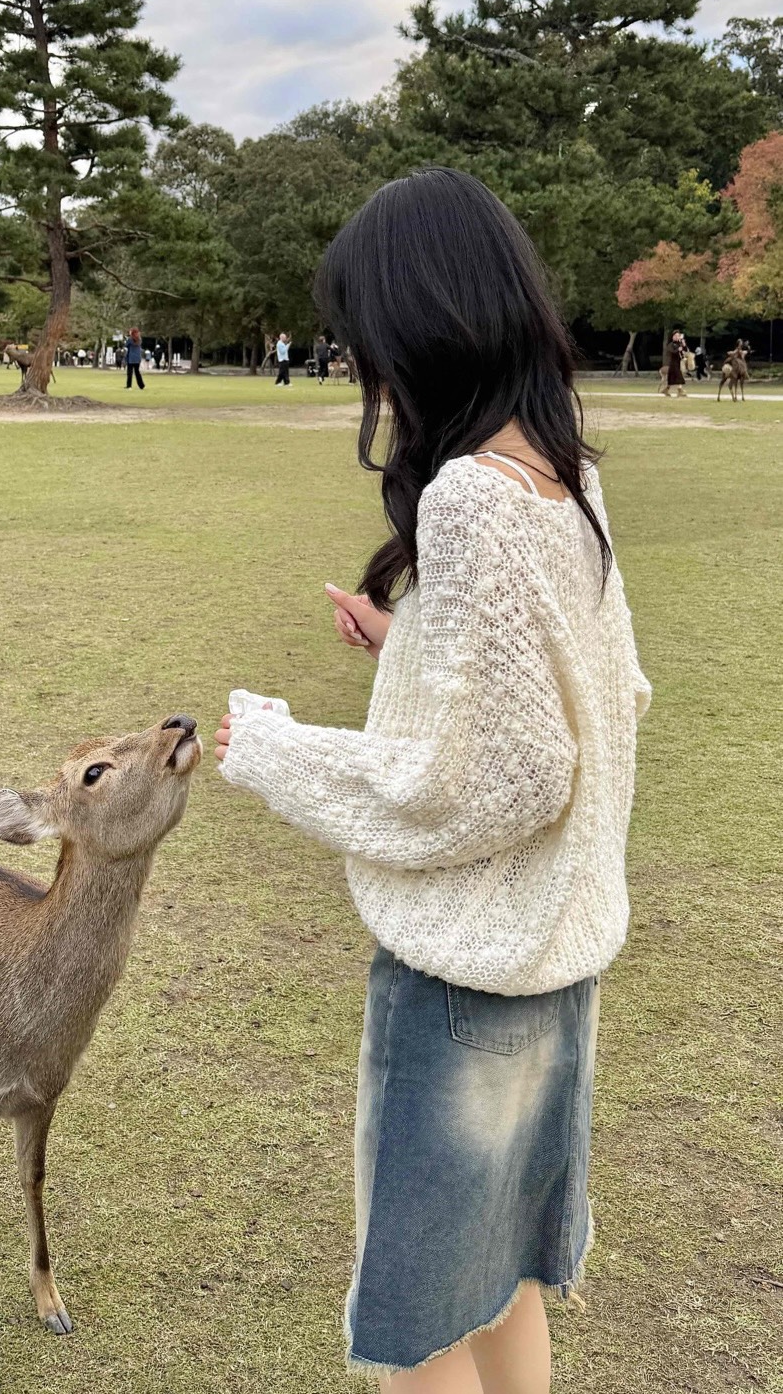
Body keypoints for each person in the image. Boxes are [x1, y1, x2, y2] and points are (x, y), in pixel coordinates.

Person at [214, 168, 650, 1393]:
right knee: (500, 1281)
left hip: (465, 978)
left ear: (423, 323)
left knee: (419, 1328)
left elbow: (497, 781)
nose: (367, 368)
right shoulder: (563, 469)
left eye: (368, 336)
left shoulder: (467, 498)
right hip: (556, 963)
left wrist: (278, 751)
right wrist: (414, 642)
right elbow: (594, 698)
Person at [664, 329, 686, 397]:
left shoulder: (679, 344)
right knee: (679, 377)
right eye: (675, 335)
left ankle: (666, 390)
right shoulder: (671, 344)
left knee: (671, 379)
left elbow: (685, 350)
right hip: (673, 363)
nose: (677, 337)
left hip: (678, 362)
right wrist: (677, 350)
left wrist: (684, 344)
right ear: (673, 336)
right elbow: (672, 352)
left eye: (678, 335)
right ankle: (680, 391)